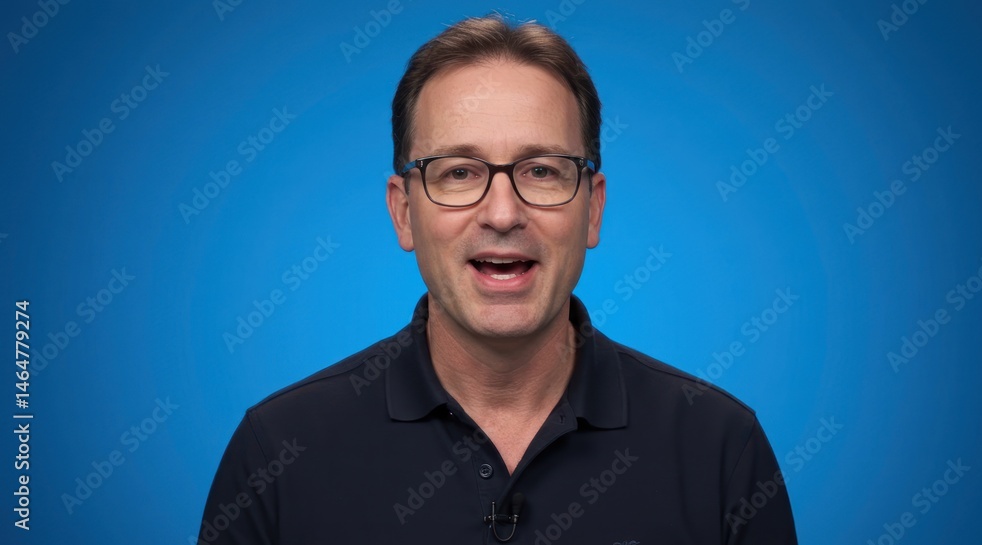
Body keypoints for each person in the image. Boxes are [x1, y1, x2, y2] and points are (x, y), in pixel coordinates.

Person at [197, 14, 798, 544]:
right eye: (458, 172)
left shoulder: (720, 448)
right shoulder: (277, 451)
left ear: (592, 208)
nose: (504, 213)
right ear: (404, 212)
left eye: (542, 170)